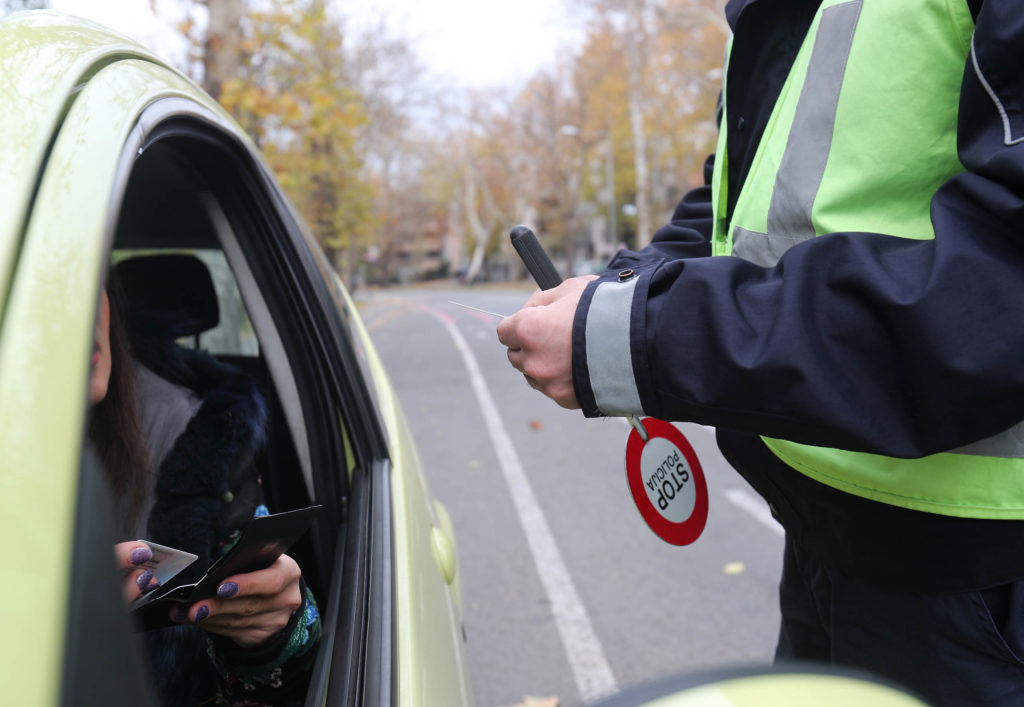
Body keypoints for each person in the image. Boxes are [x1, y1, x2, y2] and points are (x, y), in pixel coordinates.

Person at [497, 2, 1024, 705]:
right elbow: (740, 200)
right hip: (826, 544)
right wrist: (624, 289)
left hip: (981, 585)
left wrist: (638, 333)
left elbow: (998, 286)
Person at [88, 280, 320, 706]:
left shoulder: (201, 438)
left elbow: (270, 679)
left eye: (86, 278)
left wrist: (271, 636)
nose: (79, 316)